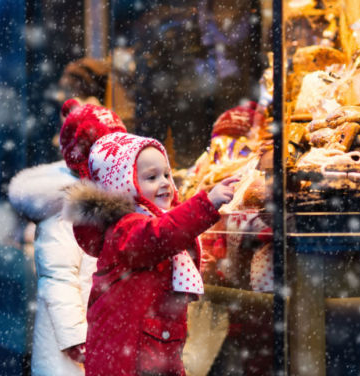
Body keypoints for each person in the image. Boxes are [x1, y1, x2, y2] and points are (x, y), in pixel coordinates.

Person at [63, 131, 237, 375]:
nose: (165, 182)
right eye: (152, 177)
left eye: (166, 174)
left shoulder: (148, 223)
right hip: (130, 355)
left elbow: (163, 247)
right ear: (124, 185)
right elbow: (161, 236)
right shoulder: (126, 227)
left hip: (153, 346)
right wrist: (207, 204)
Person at [8, 99, 127, 375]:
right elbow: (57, 277)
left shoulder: (104, 199)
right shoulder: (67, 206)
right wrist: (76, 338)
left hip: (101, 332)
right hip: (72, 346)